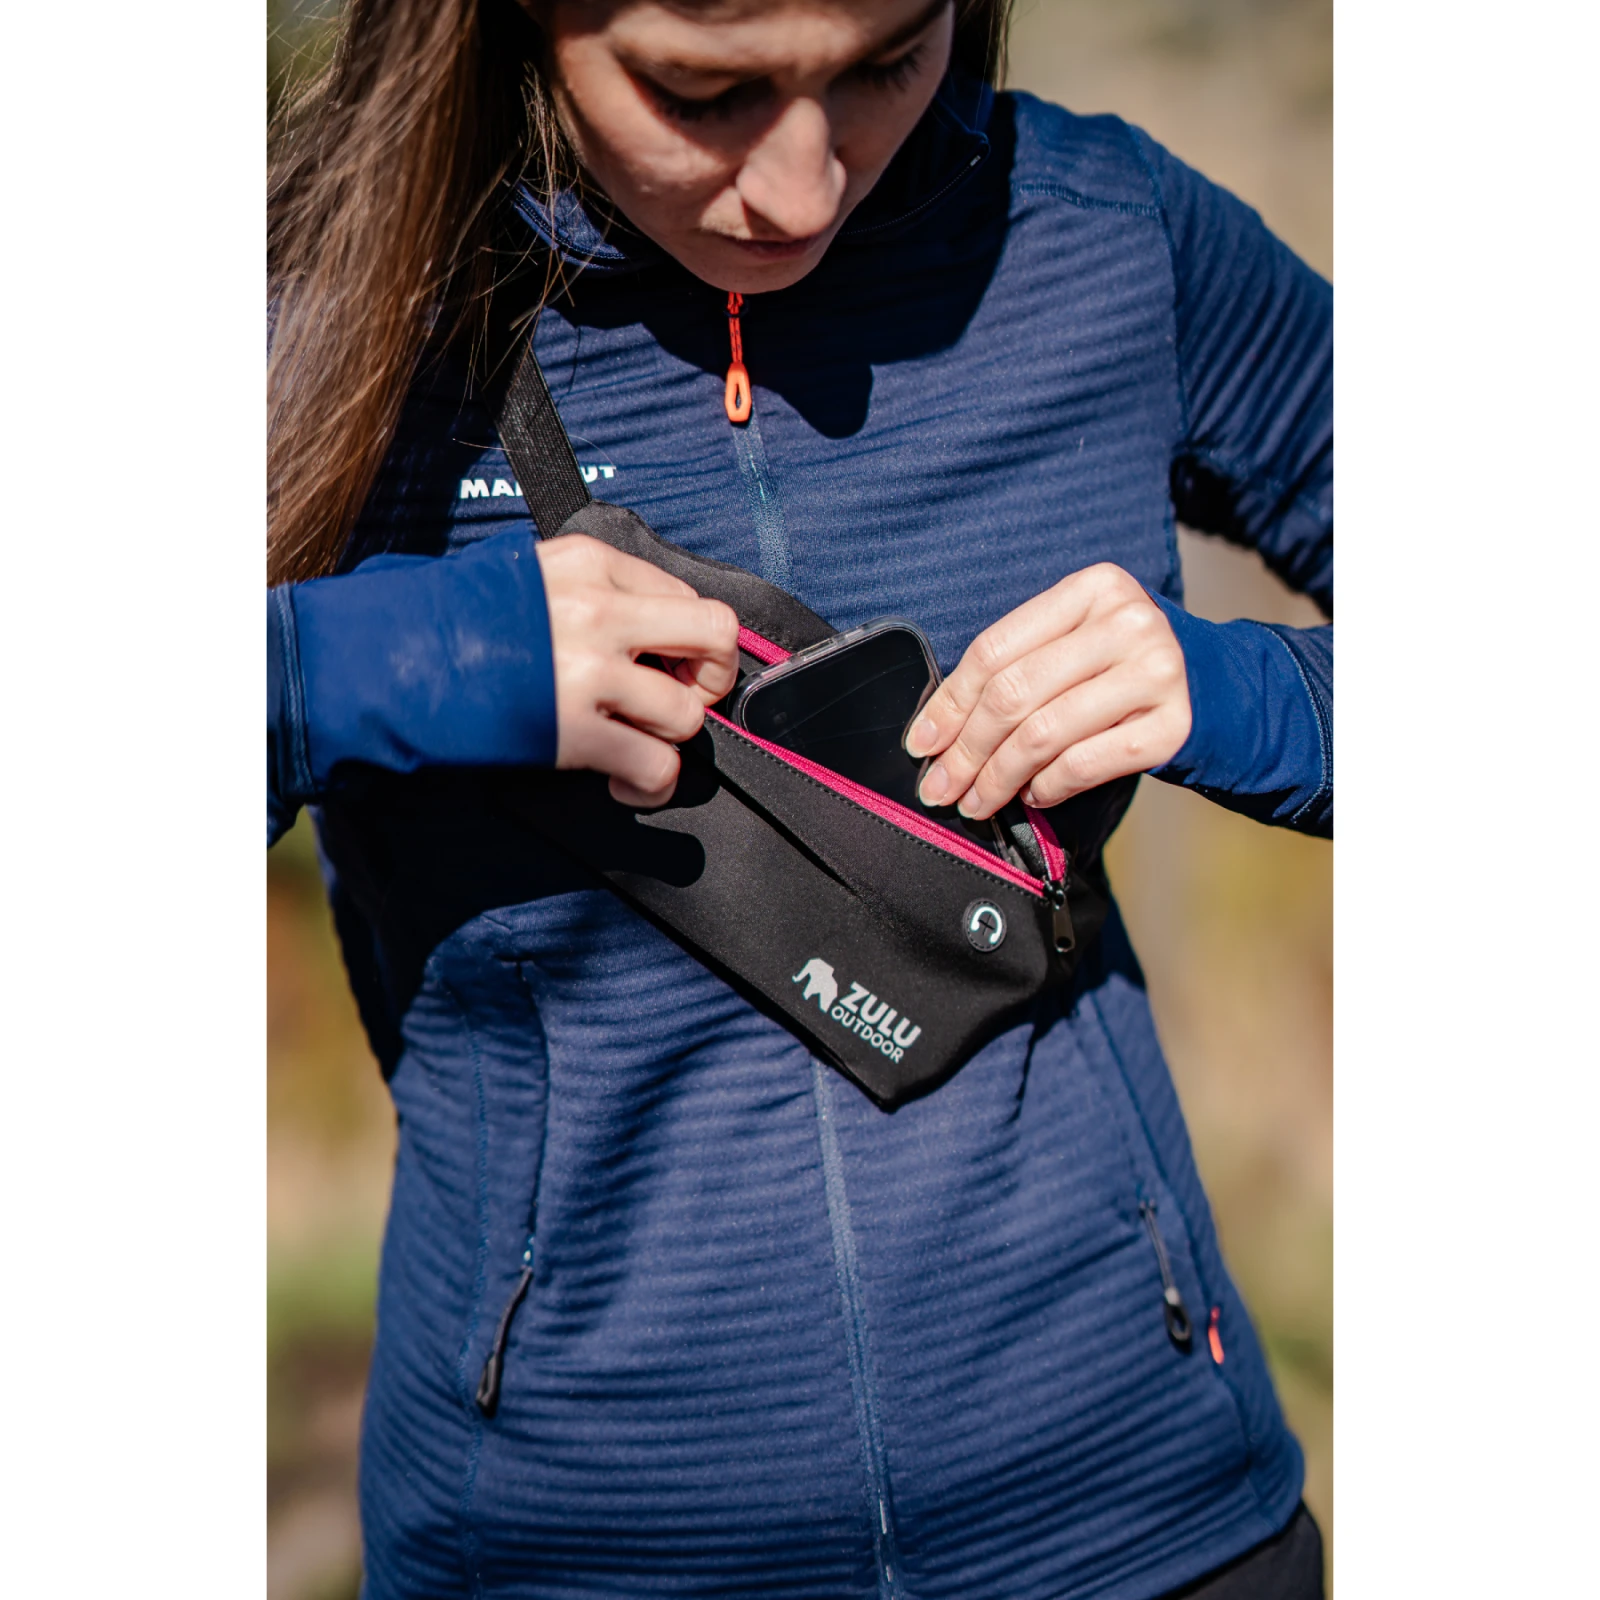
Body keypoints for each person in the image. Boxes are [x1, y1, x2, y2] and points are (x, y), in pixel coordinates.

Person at [267, 1, 1332, 1595]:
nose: (802, 184)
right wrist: (387, 661)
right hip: (570, 1551)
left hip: (1147, 1521)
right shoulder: (317, 302)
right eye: (704, 91)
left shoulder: (1108, 241)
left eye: (886, 61)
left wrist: (1243, 693)